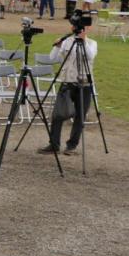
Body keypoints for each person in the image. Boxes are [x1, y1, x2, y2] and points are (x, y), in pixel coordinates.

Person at [38, 15, 97, 157]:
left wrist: (83, 41)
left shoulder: (92, 43)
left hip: (84, 84)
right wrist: (57, 46)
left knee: (80, 116)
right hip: (67, 83)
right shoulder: (66, 42)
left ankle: (72, 146)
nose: (73, 27)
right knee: (57, 114)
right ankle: (54, 144)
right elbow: (53, 58)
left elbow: (90, 56)